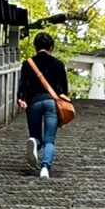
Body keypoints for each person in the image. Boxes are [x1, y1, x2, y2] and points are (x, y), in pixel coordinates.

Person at [16, 31, 69, 179]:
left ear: (35, 46)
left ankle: (34, 141)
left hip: (33, 102)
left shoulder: (28, 63)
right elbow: (64, 91)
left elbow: (23, 85)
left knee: (36, 135)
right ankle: (45, 168)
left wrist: (21, 99)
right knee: (49, 140)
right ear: (51, 47)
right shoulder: (58, 64)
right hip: (51, 103)